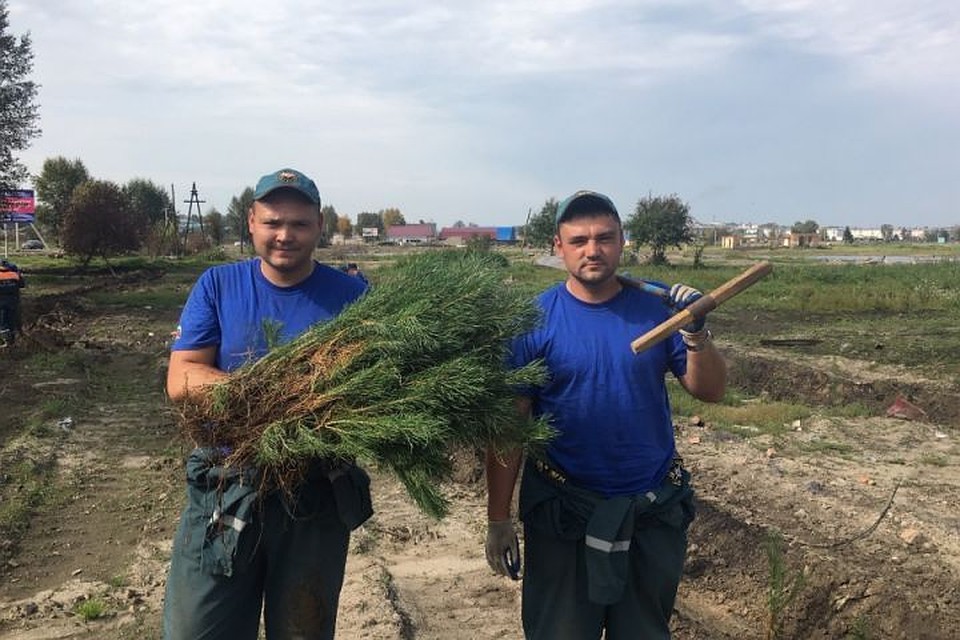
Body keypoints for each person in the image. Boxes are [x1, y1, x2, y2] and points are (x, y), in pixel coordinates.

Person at [484, 190, 728, 640]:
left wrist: (696, 331)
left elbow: (710, 390)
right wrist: (498, 518)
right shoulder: (533, 321)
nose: (592, 250)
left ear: (622, 241)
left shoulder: (658, 313)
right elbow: (510, 428)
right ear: (558, 247)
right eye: (578, 241)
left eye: (604, 238)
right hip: (565, 510)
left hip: (650, 511)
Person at [163, 168, 370, 640]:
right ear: (251, 222)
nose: (285, 235)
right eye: (273, 221)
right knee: (198, 630)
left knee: (303, 631)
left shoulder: (354, 298)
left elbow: (369, 392)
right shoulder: (218, 285)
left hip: (313, 495)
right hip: (226, 485)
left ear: (320, 226)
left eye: (298, 224)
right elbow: (182, 377)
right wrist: (269, 399)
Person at [0, 259, 25, 347]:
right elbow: (22, 285)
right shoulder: (14, 274)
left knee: (3, 322)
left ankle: (6, 341)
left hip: (1, 302)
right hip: (14, 301)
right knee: (11, 321)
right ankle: (12, 341)